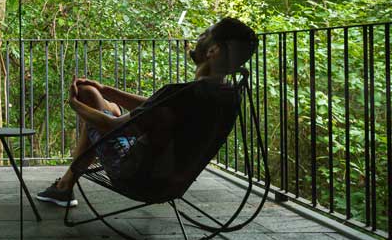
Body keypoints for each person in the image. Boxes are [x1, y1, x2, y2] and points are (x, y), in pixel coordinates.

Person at [36, 17, 258, 207]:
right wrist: (108, 91)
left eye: (205, 35)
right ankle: (64, 186)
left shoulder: (180, 94)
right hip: (172, 184)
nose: (199, 37)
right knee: (108, 105)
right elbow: (159, 110)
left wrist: (76, 103)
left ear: (213, 50)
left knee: (89, 95)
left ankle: (64, 186)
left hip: (136, 178)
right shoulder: (226, 97)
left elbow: (111, 128)